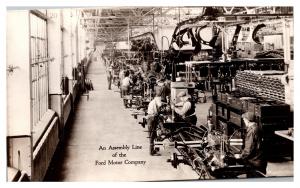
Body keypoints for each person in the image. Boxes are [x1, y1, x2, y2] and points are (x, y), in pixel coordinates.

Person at [234, 112, 267, 177]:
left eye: (244, 120)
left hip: (254, 161)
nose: (244, 122)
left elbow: (248, 149)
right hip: (261, 159)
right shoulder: (258, 127)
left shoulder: (252, 131)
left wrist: (240, 156)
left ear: (247, 120)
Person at [147, 86, 163, 155]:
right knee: (152, 135)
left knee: (153, 135)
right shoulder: (157, 99)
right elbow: (160, 105)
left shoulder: (153, 100)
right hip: (152, 118)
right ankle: (152, 152)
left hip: (150, 117)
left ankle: (155, 148)